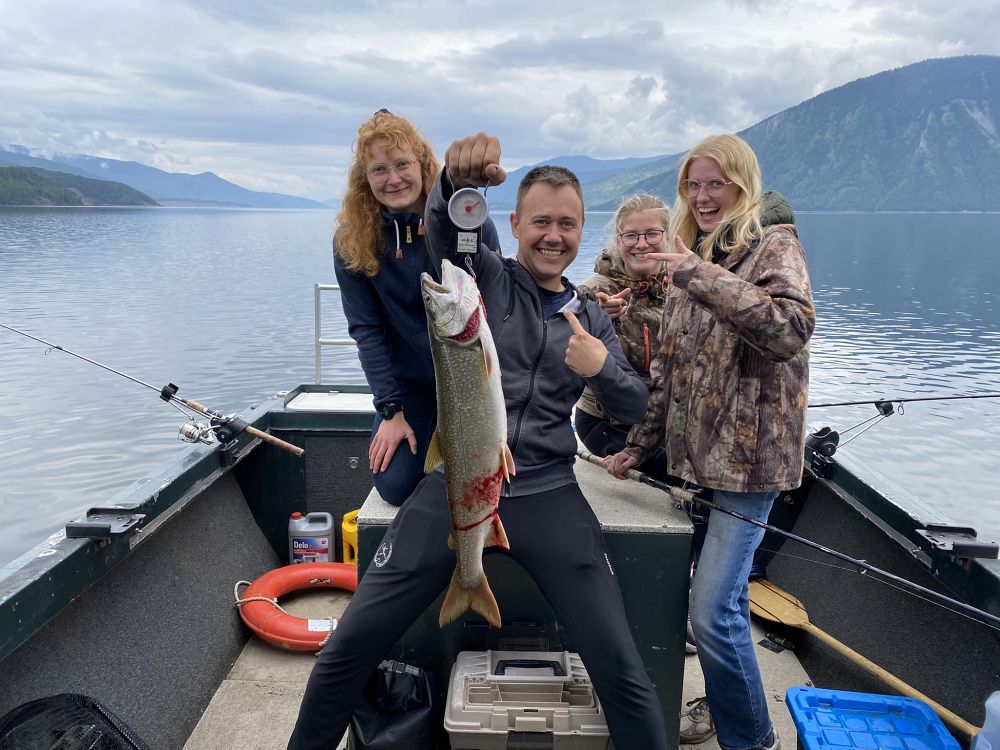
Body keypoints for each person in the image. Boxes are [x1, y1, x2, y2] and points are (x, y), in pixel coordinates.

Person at [287, 132, 669, 749]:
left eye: (567, 224)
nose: (554, 236)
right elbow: (445, 231)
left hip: (548, 492)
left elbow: (637, 409)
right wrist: (453, 184)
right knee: (347, 646)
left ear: (581, 231)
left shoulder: (593, 315)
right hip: (456, 481)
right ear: (513, 225)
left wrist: (599, 366)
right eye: (540, 221)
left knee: (622, 670)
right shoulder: (487, 280)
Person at [604, 133, 815, 750]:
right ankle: (726, 713)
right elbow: (668, 367)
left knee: (714, 614)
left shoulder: (773, 244)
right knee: (699, 604)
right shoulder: (689, 253)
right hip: (696, 463)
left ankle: (750, 738)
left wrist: (699, 273)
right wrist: (638, 446)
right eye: (692, 185)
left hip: (751, 466)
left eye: (715, 183)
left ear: (742, 185)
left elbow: (790, 328)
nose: (701, 196)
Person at [332, 109, 500, 506]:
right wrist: (390, 410)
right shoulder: (352, 242)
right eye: (379, 170)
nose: (393, 179)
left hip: (472, 378)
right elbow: (366, 331)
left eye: (402, 164)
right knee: (393, 485)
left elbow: (495, 302)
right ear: (364, 178)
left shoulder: (464, 221)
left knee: (500, 478)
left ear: (422, 165)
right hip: (411, 387)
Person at [574, 192, 671, 478]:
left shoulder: (684, 286)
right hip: (607, 422)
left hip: (662, 422)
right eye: (631, 236)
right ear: (618, 240)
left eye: (652, 233)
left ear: (667, 236)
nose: (641, 244)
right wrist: (595, 320)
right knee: (674, 472)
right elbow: (560, 358)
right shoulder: (592, 292)